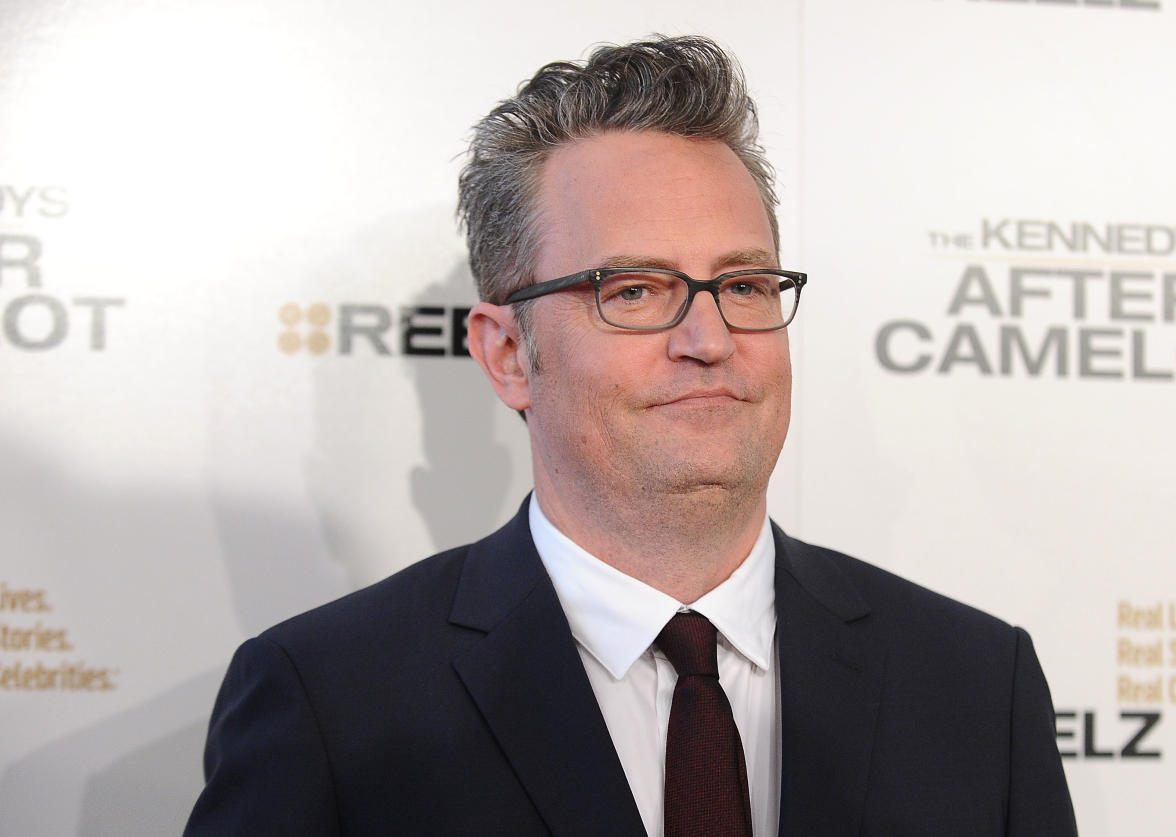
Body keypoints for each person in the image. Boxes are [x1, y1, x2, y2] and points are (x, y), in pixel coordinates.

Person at [184, 36, 1077, 837]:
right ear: (507, 354)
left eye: (746, 285)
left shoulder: (973, 684)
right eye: (636, 290)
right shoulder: (331, 703)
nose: (711, 338)